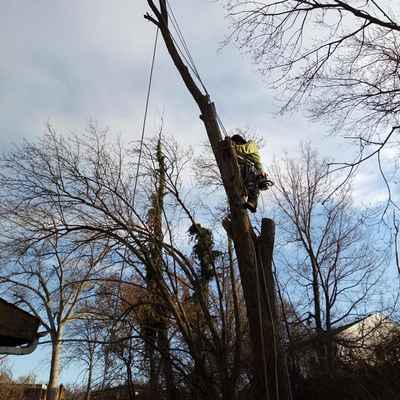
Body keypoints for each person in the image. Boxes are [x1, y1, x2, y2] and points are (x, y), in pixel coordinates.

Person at [231, 134, 269, 212]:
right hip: (247, 168)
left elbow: (244, 149)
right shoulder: (241, 155)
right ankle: (247, 201)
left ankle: (252, 202)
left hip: (253, 169)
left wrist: (232, 146)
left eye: (236, 143)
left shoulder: (251, 144)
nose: (236, 145)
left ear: (239, 142)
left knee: (251, 182)